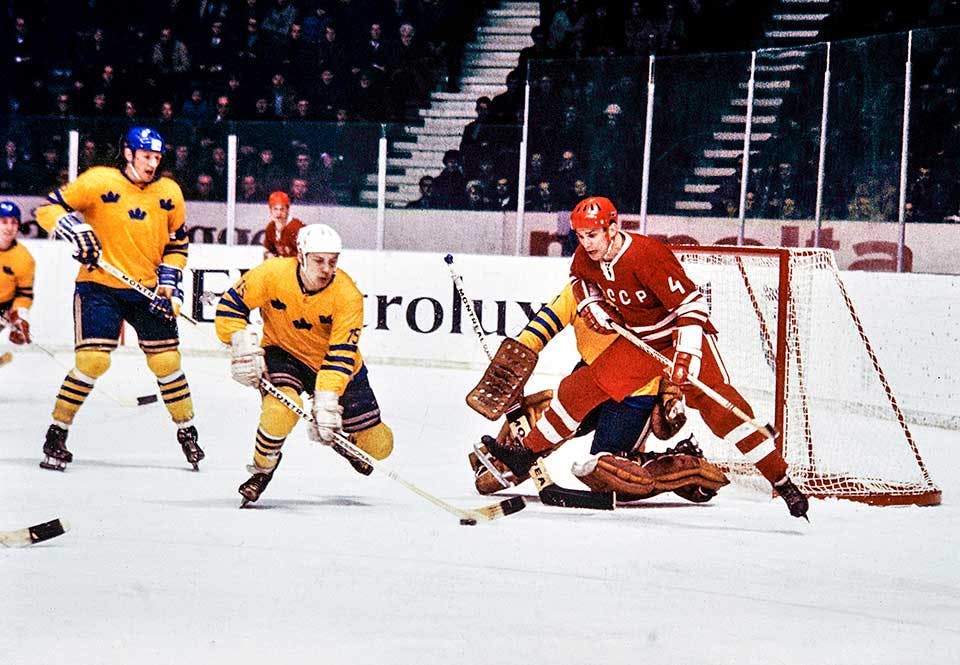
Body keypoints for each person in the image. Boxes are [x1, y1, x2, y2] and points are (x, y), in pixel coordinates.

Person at [484, 196, 809, 519]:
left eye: (593, 235)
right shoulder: (586, 256)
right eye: (581, 236)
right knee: (579, 388)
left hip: (678, 338)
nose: (586, 243)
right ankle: (525, 455)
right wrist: (590, 305)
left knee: (722, 409)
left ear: (613, 228)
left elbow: (692, 306)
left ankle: (782, 480)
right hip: (640, 343)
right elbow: (580, 283)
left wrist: (684, 357)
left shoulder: (646, 255)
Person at [34, 127, 203, 471]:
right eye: (146, 157)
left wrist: (168, 284)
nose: (152, 164)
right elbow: (48, 209)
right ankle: (57, 431)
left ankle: (187, 430)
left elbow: (177, 245)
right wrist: (73, 228)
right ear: (128, 154)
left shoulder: (169, 192)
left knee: (167, 363)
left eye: (157, 158)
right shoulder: (99, 181)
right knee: (93, 361)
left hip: (149, 291)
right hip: (99, 286)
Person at [470, 279, 728, 504]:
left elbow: (671, 341)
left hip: (635, 394)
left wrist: (670, 391)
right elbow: (537, 332)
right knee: (541, 416)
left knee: (610, 473)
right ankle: (511, 456)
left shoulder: (642, 296)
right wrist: (511, 366)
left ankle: (683, 464)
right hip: (588, 379)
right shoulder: (576, 291)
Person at [214, 223, 394, 505]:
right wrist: (238, 342)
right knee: (280, 410)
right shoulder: (272, 274)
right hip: (284, 353)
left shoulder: (348, 295)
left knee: (381, 446)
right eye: (318, 261)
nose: (326, 269)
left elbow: (341, 353)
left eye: (332, 262)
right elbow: (231, 306)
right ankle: (261, 470)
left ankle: (345, 442)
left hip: (334, 366)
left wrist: (326, 402)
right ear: (301, 256)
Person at [0, 201, 34, 346]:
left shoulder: (24, 258)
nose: (9, 227)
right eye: (4, 221)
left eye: (14, 222)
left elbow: (24, 295)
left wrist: (19, 318)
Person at [261, 190, 304, 259]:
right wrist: (268, 255)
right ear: (270, 210)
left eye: (282, 209)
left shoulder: (297, 228)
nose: (278, 213)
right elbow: (267, 250)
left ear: (287, 209)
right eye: (275, 209)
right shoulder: (270, 227)